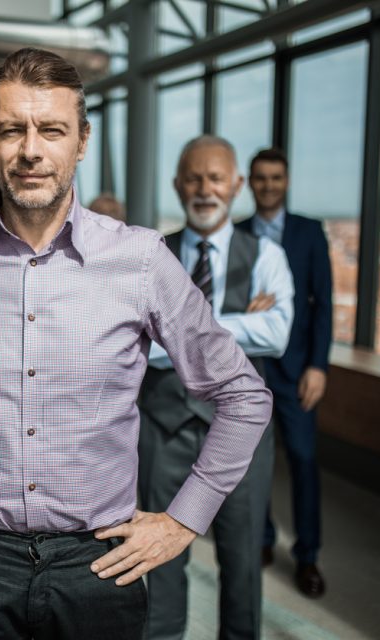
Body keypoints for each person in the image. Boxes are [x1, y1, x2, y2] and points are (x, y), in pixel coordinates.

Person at [0, 47, 274, 640]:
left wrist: (184, 521)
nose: (31, 150)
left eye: (51, 130)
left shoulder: (139, 261)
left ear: (81, 141)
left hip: (99, 566)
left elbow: (244, 396)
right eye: (12, 130)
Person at [138, 134, 294, 640]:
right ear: (178, 185)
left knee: (243, 559)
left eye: (216, 177)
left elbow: (277, 334)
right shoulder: (151, 256)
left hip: (242, 437)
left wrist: (180, 329)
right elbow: (139, 342)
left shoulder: (267, 254)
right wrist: (234, 324)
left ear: (237, 185)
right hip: (162, 428)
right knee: (156, 556)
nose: (205, 188)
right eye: (194, 177)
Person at [237, 147, 333, 598]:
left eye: (276, 177)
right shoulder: (234, 234)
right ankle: (262, 539)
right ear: (250, 183)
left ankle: (308, 556)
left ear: (286, 182)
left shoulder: (310, 234)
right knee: (252, 463)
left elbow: (324, 304)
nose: (269, 185)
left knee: (303, 460)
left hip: (297, 373)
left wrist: (318, 366)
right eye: (261, 178)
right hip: (247, 370)